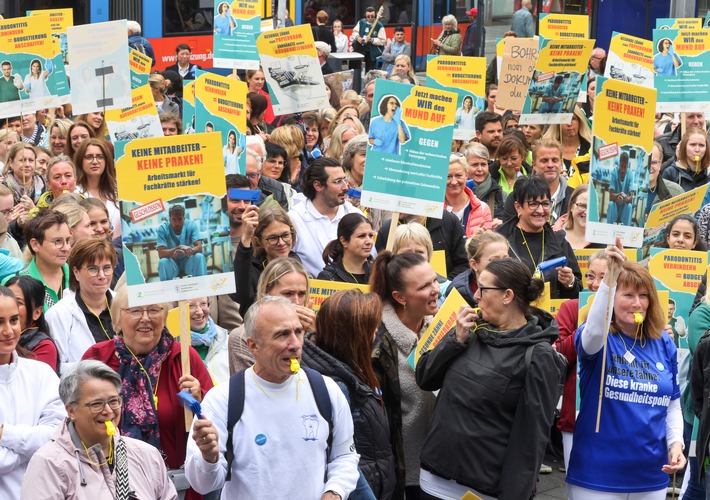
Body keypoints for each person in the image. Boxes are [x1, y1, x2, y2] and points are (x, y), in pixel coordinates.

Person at [417, 258, 565, 499]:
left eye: (483, 289)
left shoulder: (538, 355)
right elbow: (425, 377)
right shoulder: (471, 331)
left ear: (507, 295)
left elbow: (530, 439)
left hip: (482, 489)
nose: (476, 295)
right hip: (434, 476)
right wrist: (454, 340)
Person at [185, 296, 360, 498]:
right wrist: (209, 457)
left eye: (298, 332)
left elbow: (345, 456)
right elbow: (203, 485)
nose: (295, 344)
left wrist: (335, 491)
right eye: (282, 335)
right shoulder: (223, 399)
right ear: (253, 346)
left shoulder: (326, 390)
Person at [566, 240, 685, 498]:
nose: (637, 303)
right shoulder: (596, 339)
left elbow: (673, 403)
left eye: (643, 296)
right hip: (597, 476)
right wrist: (609, 277)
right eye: (628, 295)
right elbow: (596, 328)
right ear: (611, 297)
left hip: (652, 476)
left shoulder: (663, 341)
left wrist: (676, 444)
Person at [82, 285, 213, 500]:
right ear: (117, 320)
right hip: (110, 487)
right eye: (135, 310)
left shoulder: (184, 358)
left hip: (176, 487)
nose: (145, 318)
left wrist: (200, 398)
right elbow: (79, 420)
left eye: (154, 310)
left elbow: (215, 419)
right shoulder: (98, 358)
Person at [21, 359, 178, 498]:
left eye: (114, 401)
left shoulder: (146, 454)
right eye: (96, 404)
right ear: (71, 410)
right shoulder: (49, 464)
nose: (108, 411)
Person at [302, 290, 396, 499]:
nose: (375, 334)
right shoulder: (338, 388)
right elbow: (341, 458)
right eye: (371, 329)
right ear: (353, 336)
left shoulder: (348, 369)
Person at [369, 251, 439, 498]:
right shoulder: (376, 341)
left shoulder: (442, 324)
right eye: (424, 286)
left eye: (434, 280)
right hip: (401, 473)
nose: (435, 289)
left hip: (439, 467)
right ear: (400, 297)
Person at [0, 284, 65, 499]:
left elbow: (58, 438)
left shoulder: (41, 374)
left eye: (14, 320)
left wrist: (4, 434)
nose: (8, 331)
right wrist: (33, 448)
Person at [554, 250, 608, 470]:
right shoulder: (571, 307)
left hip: (613, 413)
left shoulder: (625, 314)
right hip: (575, 409)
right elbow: (559, 356)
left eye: (604, 278)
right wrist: (587, 327)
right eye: (590, 276)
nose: (595, 284)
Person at [496, 176, 582, 299]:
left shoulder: (559, 241)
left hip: (548, 316)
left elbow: (577, 292)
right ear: (518, 207)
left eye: (545, 204)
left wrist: (570, 283)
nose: (540, 210)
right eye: (533, 204)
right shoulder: (499, 240)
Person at [228, 257, 315, 374]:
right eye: (288, 293)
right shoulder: (242, 337)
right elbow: (258, 383)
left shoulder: (314, 329)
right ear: (266, 292)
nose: (296, 302)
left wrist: (314, 335)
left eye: (301, 294)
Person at [45, 238, 116, 374]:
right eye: (93, 269)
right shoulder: (58, 315)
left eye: (107, 268)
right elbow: (57, 369)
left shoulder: (126, 304)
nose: (102, 276)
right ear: (76, 272)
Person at [289, 157, 366, 276]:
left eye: (344, 180)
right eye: (337, 181)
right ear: (318, 186)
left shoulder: (356, 216)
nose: (345, 187)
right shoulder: (294, 220)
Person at [20, 209, 72, 311]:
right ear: (35, 245)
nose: (66, 248)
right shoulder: (18, 285)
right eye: (58, 241)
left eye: (67, 240)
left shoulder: (78, 278)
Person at [444, 230, 509, 307]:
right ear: (474, 264)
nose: (502, 264)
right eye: (494, 260)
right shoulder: (458, 292)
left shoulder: (518, 283)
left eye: (505, 259)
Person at [7, 275, 58, 372]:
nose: (10, 307)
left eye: (18, 303)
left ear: (37, 312)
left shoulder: (44, 347)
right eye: (7, 301)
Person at [318, 213, 374, 284]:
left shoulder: (379, 274)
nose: (369, 241)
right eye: (361, 236)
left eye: (371, 236)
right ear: (344, 241)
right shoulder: (329, 278)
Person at [445, 153, 492, 237]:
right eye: (448, 176)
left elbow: (486, 247)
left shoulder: (483, 208)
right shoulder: (433, 208)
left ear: (467, 175)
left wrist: (477, 239)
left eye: (458, 175)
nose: (454, 181)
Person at [157, 204, 206, 281]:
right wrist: (178, 248)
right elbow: (161, 253)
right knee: (163, 262)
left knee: (199, 256)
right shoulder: (163, 229)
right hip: (173, 262)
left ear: (184, 218)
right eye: (174, 220)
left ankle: (202, 289)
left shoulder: (191, 225)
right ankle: (166, 291)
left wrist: (190, 250)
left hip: (188, 261)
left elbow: (199, 247)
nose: (177, 223)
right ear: (169, 219)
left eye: (180, 219)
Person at [187, 297, 229, 385]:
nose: (199, 312)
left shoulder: (226, 341)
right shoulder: (171, 346)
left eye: (203, 304)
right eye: (191, 306)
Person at [462, 142, 505, 224]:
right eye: (475, 165)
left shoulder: (499, 194)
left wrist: (501, 225)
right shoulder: (454, 192)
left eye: (483, 164)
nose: (480, 169)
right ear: (464, 166)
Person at [661, 127, 710, 192]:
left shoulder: (708, 172)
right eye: (693, 145)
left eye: (701, 145)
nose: (697, 150)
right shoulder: (670, 173)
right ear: (684, 147)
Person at [647, 141, 683, 216]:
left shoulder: (676, 193)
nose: (649, 167)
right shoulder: (624, 191)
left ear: (660, 164)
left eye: (653, 163)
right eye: (646, 162)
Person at [563, 184, 601, 250]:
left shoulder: (606, 240)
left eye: (593, 207)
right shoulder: (555, 236)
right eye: (582, 206)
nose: (587, 212)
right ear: (571, 206)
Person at [351, 7, 386, 73]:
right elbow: (354, 32)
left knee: (369, 71)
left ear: (375, 15)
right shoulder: (361, 22)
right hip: (360, 50)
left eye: (372, 16)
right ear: (365, 15)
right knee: (358, 69)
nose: (370, 18)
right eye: (368, 16)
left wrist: (372, 40)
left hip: (371, 53)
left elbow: (382, 41)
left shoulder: (379, 25)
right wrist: (358, 37)